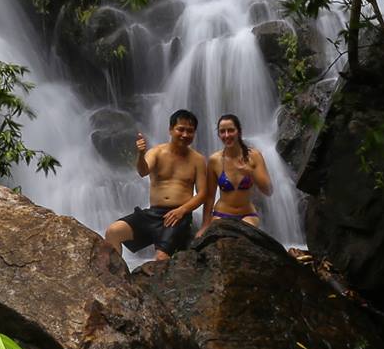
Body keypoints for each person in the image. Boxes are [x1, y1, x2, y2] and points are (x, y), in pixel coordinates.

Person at [104, 108, 205, 259]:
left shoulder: (198, 160)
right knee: (113, 232)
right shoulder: (157, 152)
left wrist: (182, 210)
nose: (185, 135)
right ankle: (118, 278)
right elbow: (143, 171)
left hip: (178, 216)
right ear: (171, 130)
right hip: (153, 214)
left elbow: (203, 193)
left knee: (161, 258)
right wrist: (141, 154)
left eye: (190, 131)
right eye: (181, 129)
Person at [201, 112, 272, 231]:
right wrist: (204, 225)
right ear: (218, 135)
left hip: (247, 214)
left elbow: (268, 190)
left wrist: (251, 173)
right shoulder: (214, 160)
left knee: (245, 234)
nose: (227, 135)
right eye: (222, 131)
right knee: (222, 240)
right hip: (221, 214)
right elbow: (209, 197)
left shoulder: (254, 156)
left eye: (231, 130)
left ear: (238, 131)